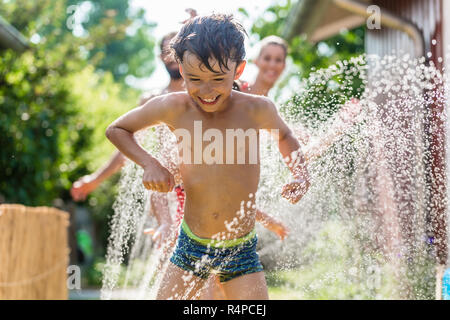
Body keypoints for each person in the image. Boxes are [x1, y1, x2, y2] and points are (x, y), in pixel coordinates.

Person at [105, 14, 310, 300]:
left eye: (217, 79)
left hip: (239, 249)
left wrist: (300, 174)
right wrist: (150, 163)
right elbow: (117, 129)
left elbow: (285, 136)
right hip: (191, 245)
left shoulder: (256, 109)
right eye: (194, 79)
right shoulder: (173, 107)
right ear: (181, 69)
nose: (206, 90)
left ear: (238, 70)